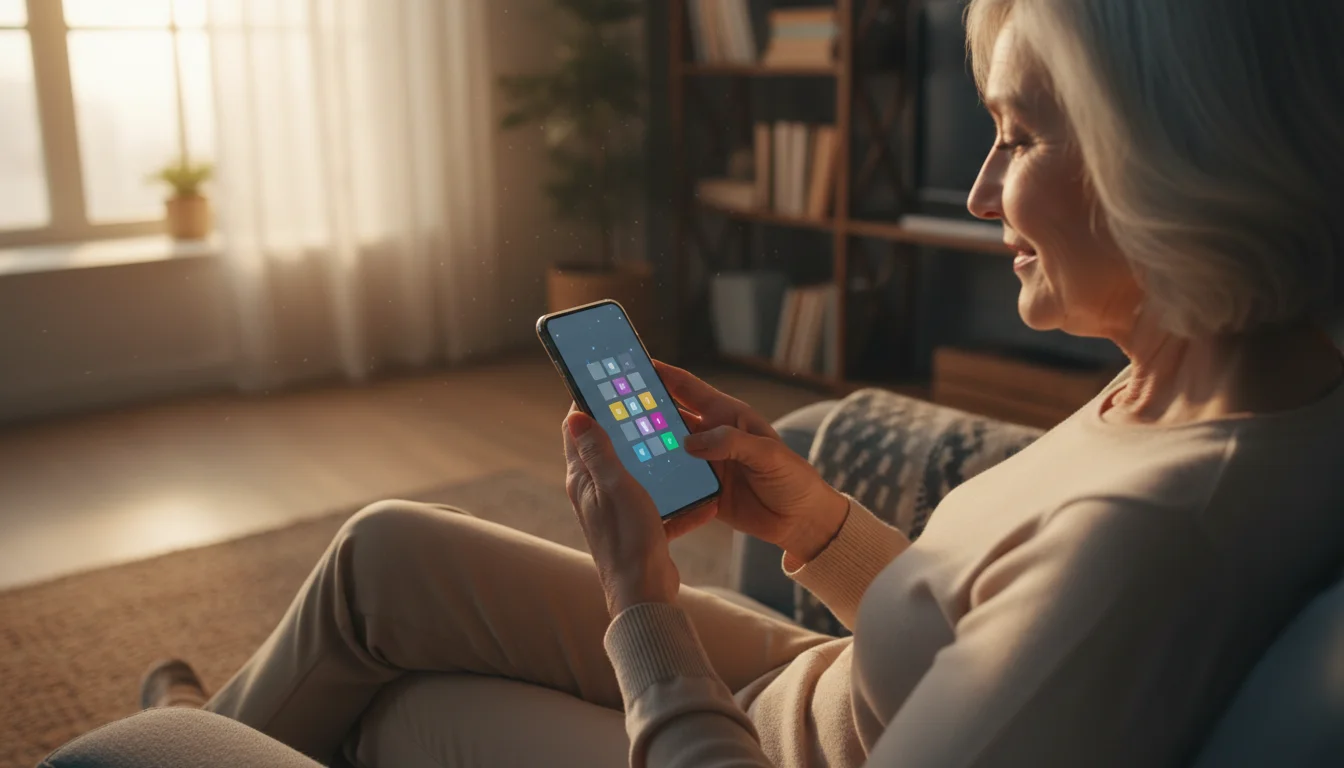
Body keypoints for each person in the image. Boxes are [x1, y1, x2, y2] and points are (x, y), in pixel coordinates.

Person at [95, 0, 1344, 766]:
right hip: (802, 691)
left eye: (1015, 136)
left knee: (398, 721)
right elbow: (977, 615)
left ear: (1167, 149)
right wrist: (808, 519)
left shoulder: (1163, 531)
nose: (974, 192)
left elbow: (1067, 599)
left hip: (763, 740)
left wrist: (642, 593)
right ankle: (238, 723)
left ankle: (205, 732)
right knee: (384, 556)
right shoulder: (1194, 369)